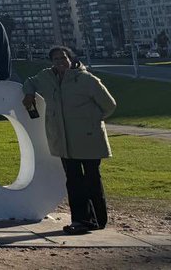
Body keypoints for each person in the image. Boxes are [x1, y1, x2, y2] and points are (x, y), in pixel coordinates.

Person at [23, 46, 117, 235]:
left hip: (88, 139)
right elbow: (30, 82)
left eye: (63, 58)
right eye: (56, 59)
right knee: (73, 181)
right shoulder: (46, 77)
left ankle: (97, 220)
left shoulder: (87, 80)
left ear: (71, 59)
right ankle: (80, 220)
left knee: (91, 179)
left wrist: (90, 120)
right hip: (64, 141)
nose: (60, 62)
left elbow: (109, 105)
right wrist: (29, 94)